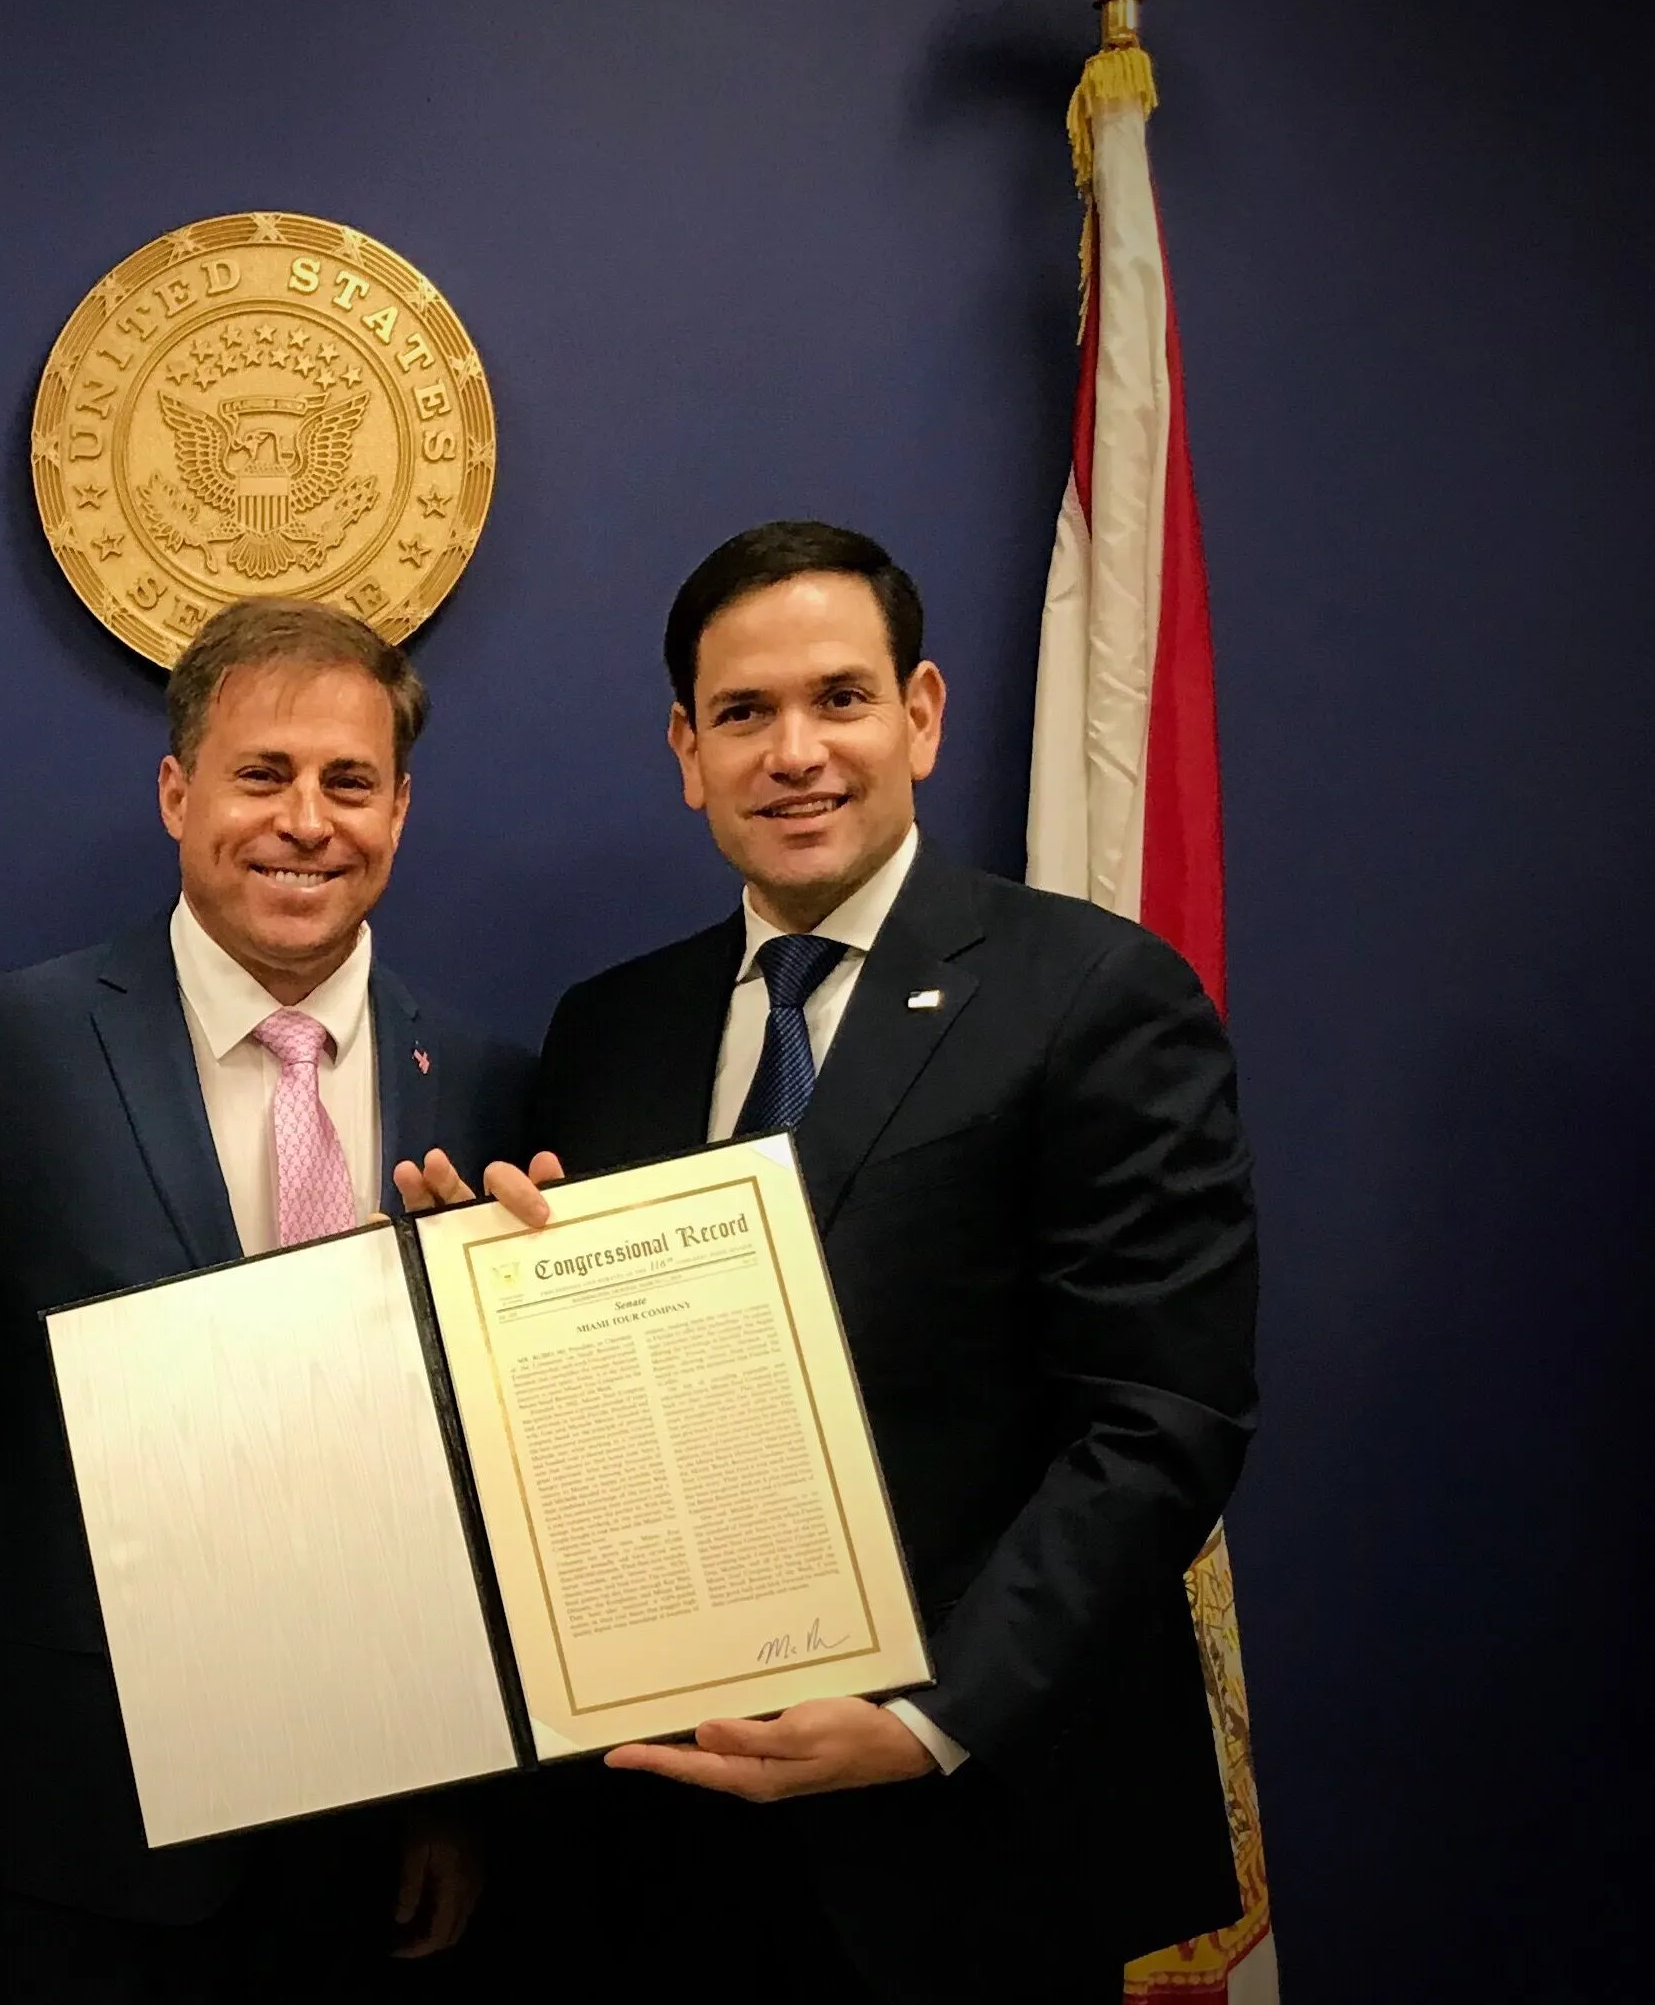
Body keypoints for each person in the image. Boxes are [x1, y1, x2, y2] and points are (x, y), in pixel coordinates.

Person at [405, 522, 1257, 2003]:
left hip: (968, 1830)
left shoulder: (1097, 997)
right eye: (742, 713)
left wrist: (932, 1710)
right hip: (650, 1842)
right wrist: (475, 1287)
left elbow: (1159, 1419)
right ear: (686, 749)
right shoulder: (609, 1029)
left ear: (919, 712)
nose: (793, 751)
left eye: (838, 698)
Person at [0, 598, 531, 2003]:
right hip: (87, 1842)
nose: (304, 820)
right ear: (174, 790)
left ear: (399, 807)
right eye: (262, 774)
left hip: (381, 1842)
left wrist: (456, 1794)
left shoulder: (497, 1082)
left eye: (348, 781)